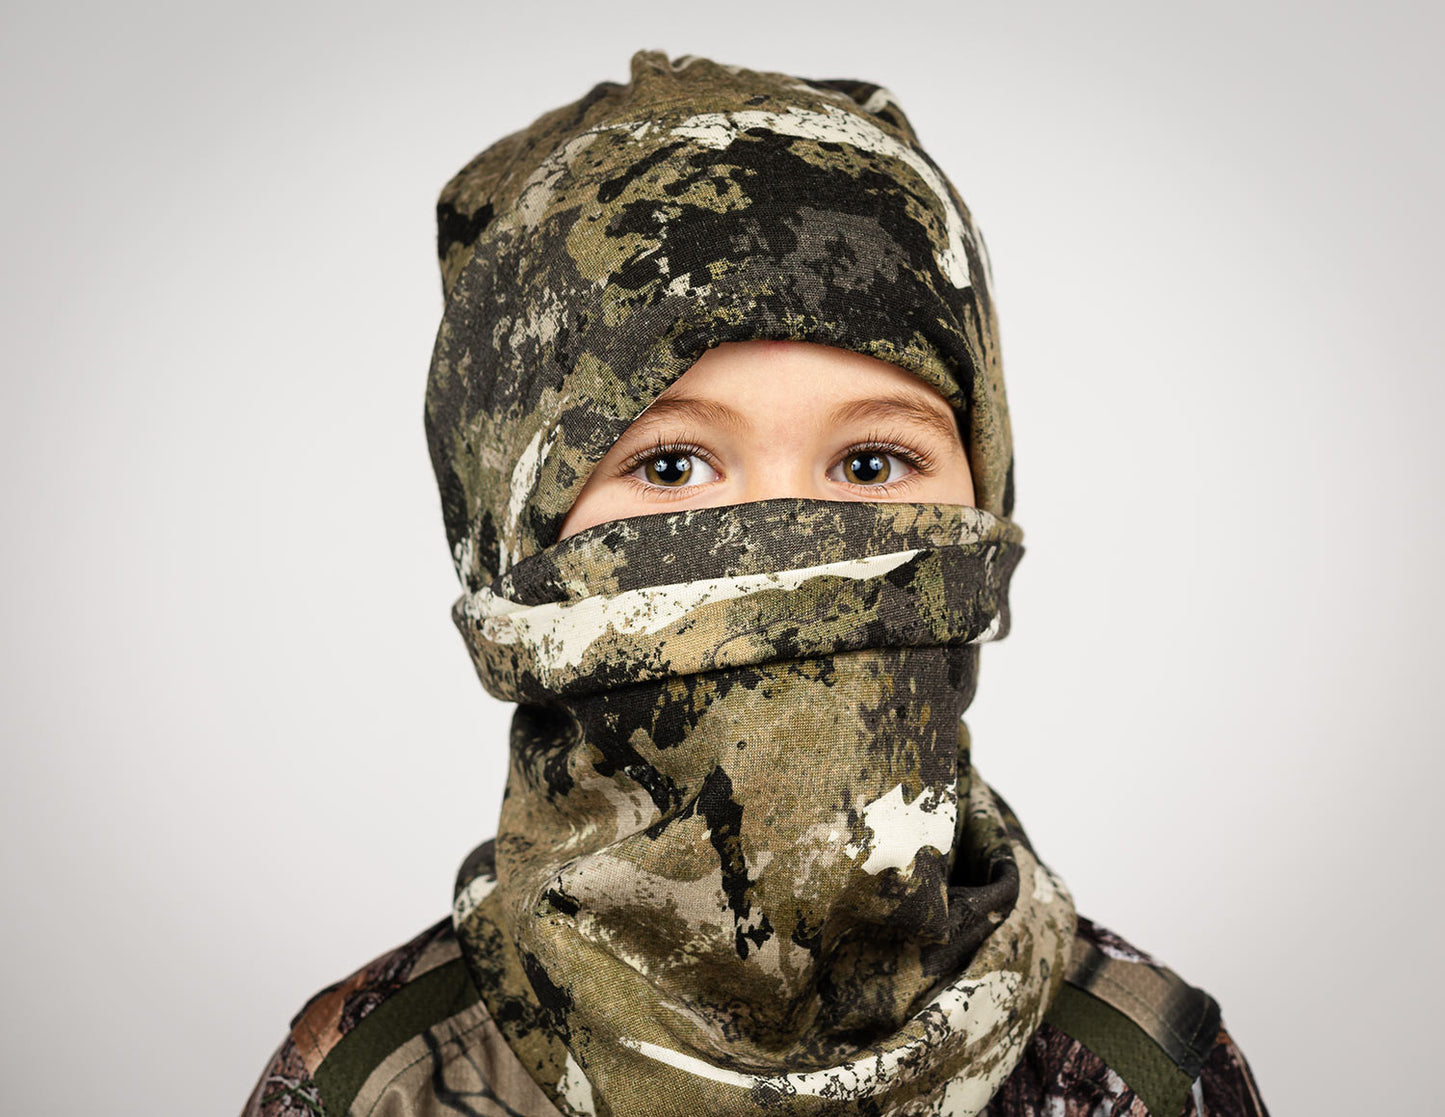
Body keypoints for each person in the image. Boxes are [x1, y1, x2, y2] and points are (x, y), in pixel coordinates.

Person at [242, 50, 1269, 1117]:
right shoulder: (375, 1085)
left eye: (870, 465)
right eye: (670, 467)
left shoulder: (1141, 1068)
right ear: (513, 551)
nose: (787, 546)